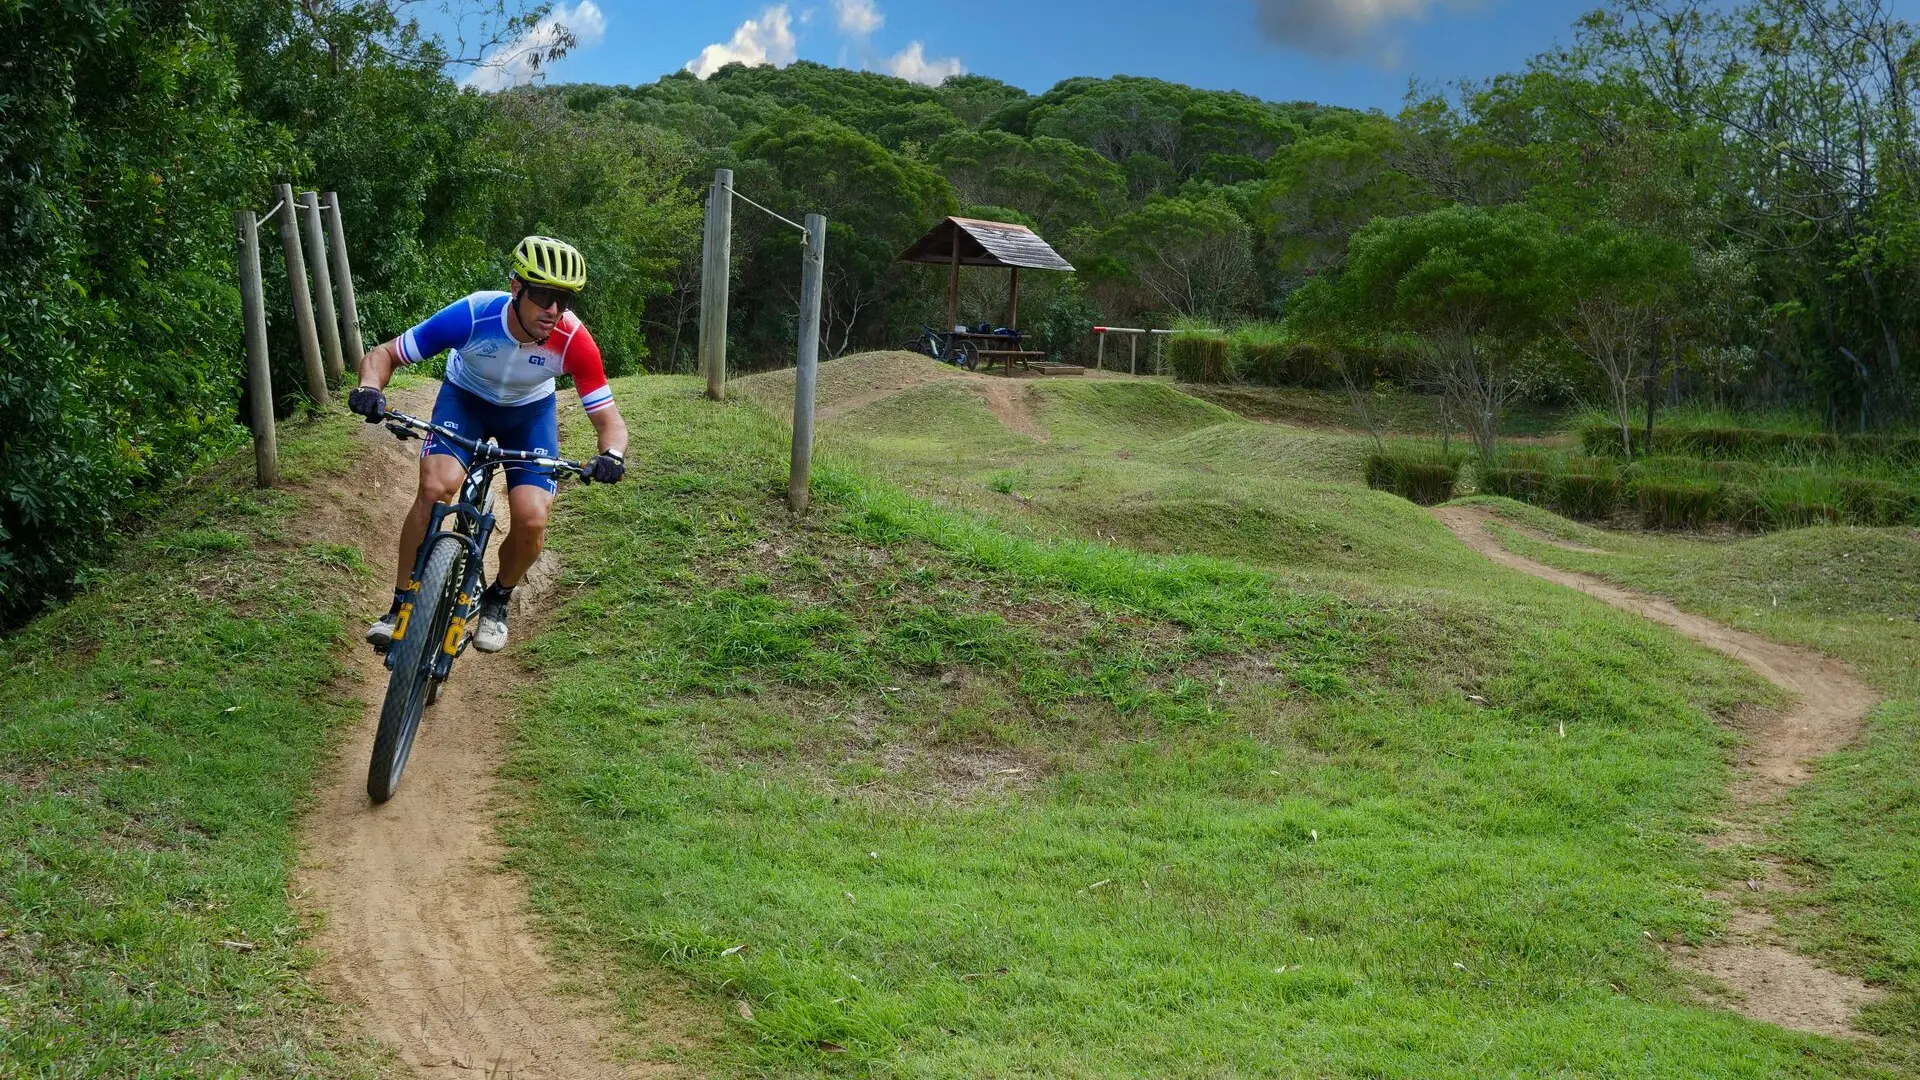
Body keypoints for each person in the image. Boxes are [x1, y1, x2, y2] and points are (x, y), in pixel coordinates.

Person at [347, 236, 627, 653]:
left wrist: (612, 455)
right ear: (516, 288)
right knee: (435, 487)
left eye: (563, 301)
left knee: (532, 517)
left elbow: (610, 421)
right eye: (543, 295)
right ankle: (400, 605)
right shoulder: (474, 314)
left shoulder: (572, 340)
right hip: (466, 400)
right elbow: (385, 353)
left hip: (528, 416)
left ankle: (498, 598)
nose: (553, 311)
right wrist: (370, 387)